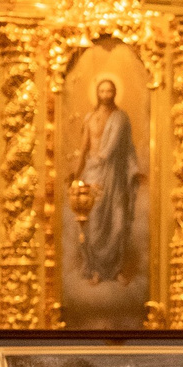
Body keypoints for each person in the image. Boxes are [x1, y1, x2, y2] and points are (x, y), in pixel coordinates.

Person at [74, 77, 141, 285]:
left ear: (114, 93)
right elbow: (84, 147)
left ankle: (116, 269)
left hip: (116, 175)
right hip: (93, 174)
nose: (106, 95)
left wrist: (135, 170)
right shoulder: (90, 118)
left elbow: (129, 148)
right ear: (97, 93)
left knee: (118, 223)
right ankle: (95, 269)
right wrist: (76, 174)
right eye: (102, 91)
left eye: (109, 91)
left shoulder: (121, 118)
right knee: (92, 224)